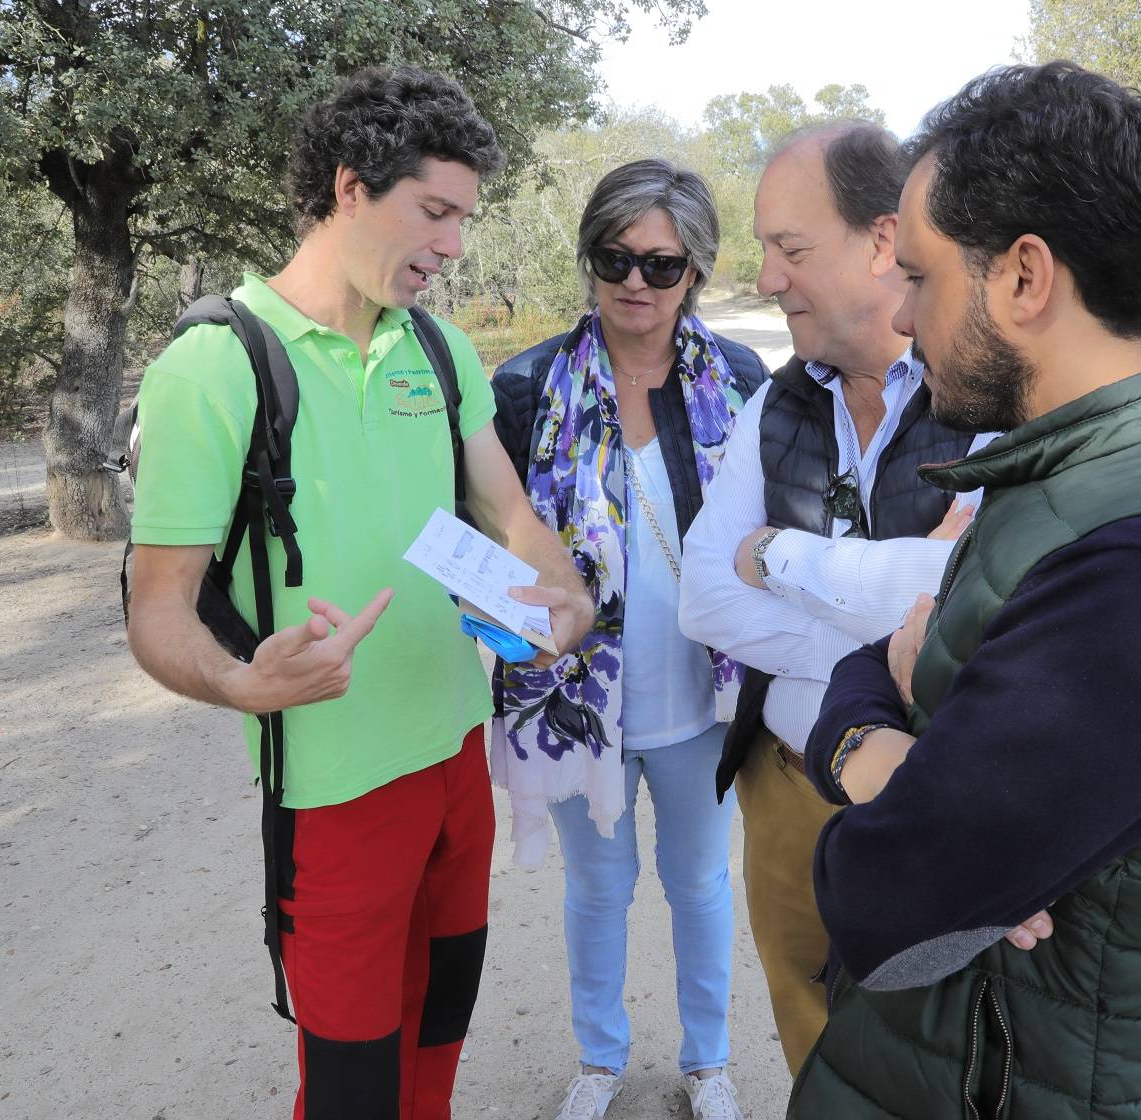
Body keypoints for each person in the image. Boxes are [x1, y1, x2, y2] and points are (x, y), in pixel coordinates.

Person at [789, 62, 1141, 1119]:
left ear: (1025, 278)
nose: (903, 317)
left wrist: (872, 744)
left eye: (926, 276)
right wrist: (878, 743)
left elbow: (885, 901)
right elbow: (878, 668)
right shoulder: (1078, 485)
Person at [124, 66, 593, 1120]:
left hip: (455, 760)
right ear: (349, 188)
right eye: (435, 211)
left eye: (464, 218)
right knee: (349, 1087)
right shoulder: (215, 366)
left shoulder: (439, 346)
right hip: (333, 792)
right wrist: (242, 681)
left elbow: (509, 515)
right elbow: (156, 609)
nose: (454, 244)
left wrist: (559, 593)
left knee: (440, 1037)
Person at [677, 122, 1045, 1077]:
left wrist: (781, 556)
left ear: (885, 241)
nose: (764, 278)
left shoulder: (993, 401)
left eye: (790, 249)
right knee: (807, 1022)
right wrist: (878, 633)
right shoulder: (777, 404)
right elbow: (702, 601)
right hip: (784, 785)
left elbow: (969, 596)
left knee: (929, 1046)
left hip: (922, 795)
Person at [488, 159, 769, 1120]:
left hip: (703, 701)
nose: (634, 282)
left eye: (661, 264)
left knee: (699, 885)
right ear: (590, 258)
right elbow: (481, 541)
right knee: (598, 890)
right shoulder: (525, 388)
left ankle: (708, 1064)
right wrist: (508, 625)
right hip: (572, 701)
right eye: (615, 257)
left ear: (695, 271)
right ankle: (601, 1063)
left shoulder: (739, 381)